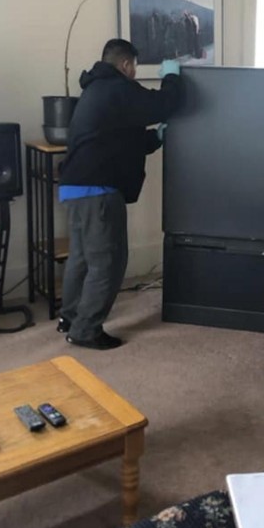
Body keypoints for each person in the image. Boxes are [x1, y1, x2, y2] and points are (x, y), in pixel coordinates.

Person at [56, 39, 181, 350]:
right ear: (126, 65)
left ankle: (70, 317)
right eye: (135, 67)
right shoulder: (118, 88)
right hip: (98, 190)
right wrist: (172, 77)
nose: (135, 73)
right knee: (108, 262)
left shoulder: (96, 89)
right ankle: (85, 330)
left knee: (83, 258)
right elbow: (164, 104)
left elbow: (120, 139)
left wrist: (157, 138)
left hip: (75, 187)